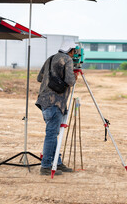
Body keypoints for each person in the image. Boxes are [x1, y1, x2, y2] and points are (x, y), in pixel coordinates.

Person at [35, 39, 78, 175]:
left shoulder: (51, 58)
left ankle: (57, 163)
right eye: (74, 51)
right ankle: (46, 166)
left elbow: (39, 78)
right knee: (52, 134)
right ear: (71, 51)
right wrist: (74, 75)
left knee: (53, 134)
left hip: (44, 101)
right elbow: (70, 81)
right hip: (55, 102)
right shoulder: (67, 60)